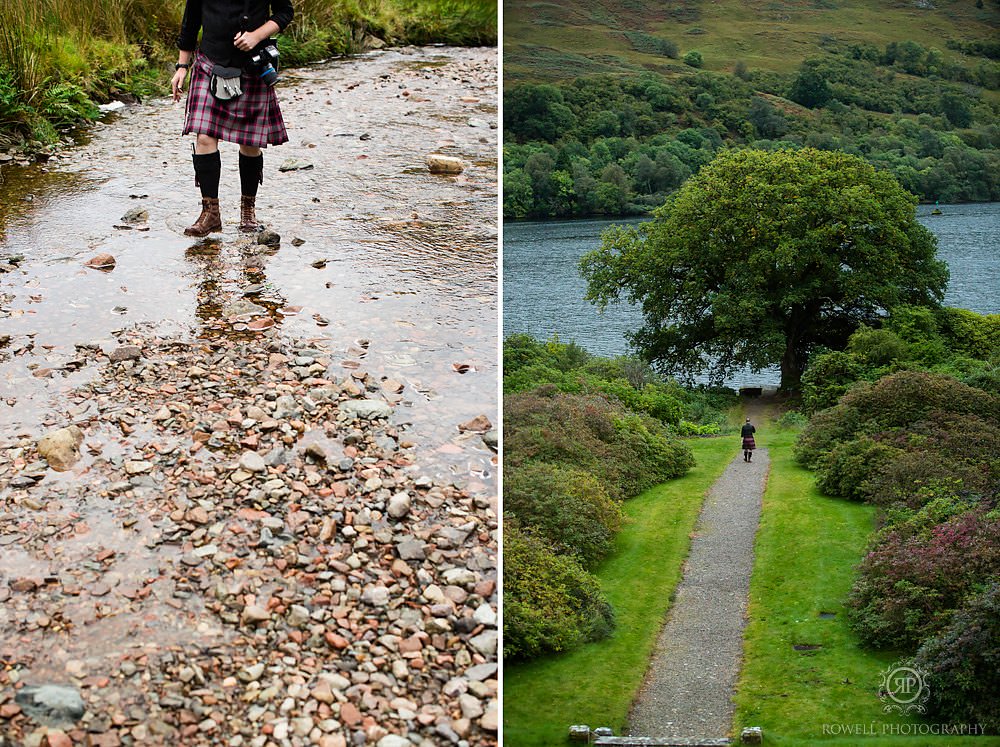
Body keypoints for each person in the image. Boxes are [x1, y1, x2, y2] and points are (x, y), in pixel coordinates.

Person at [171, 0, 294, 237]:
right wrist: (182, 66)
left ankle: (248, 211)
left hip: (253, 66)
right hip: (210, 62)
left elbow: (284, 11)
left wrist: (257, 36)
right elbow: (191, 21)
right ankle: (210, 213)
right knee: (204, 136)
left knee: (249, 143)